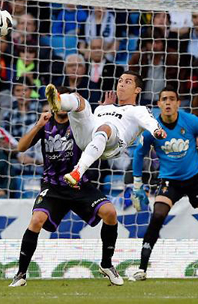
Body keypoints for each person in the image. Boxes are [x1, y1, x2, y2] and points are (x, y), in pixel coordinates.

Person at [9, 86, 123, 287]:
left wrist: (103, 112)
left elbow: (99, 126)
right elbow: (20, 148)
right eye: (57, 100)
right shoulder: (45, 125)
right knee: (36, 220)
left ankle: (107, 264)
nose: (61, 105)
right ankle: (21, 274)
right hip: (53, 186)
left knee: (110, 213)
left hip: (80, 184)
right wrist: (37, 125)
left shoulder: (79, 123)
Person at [130, 85, 198, 281]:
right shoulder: (152, 128)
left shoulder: (191, 121)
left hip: (196, 179)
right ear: (158, 104)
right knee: (158, 215)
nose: (167, 102)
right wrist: (137, 186)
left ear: (177, 103)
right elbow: (138, 155)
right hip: (170, 181)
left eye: (171, 99)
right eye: (164, 99)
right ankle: (142, 268)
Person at [45, 70, 167, 187]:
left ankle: (77, 171)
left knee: (105, 128)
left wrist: (156, 130)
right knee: (80, 100)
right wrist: (105, 107)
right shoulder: (103, 108)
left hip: (114, 145)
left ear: (137, 90)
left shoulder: (139, 110)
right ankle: (59, 102)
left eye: (128, 82)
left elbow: (150, 121)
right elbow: (91, 121)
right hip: (88, 140)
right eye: (120, 81)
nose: (122, 84)